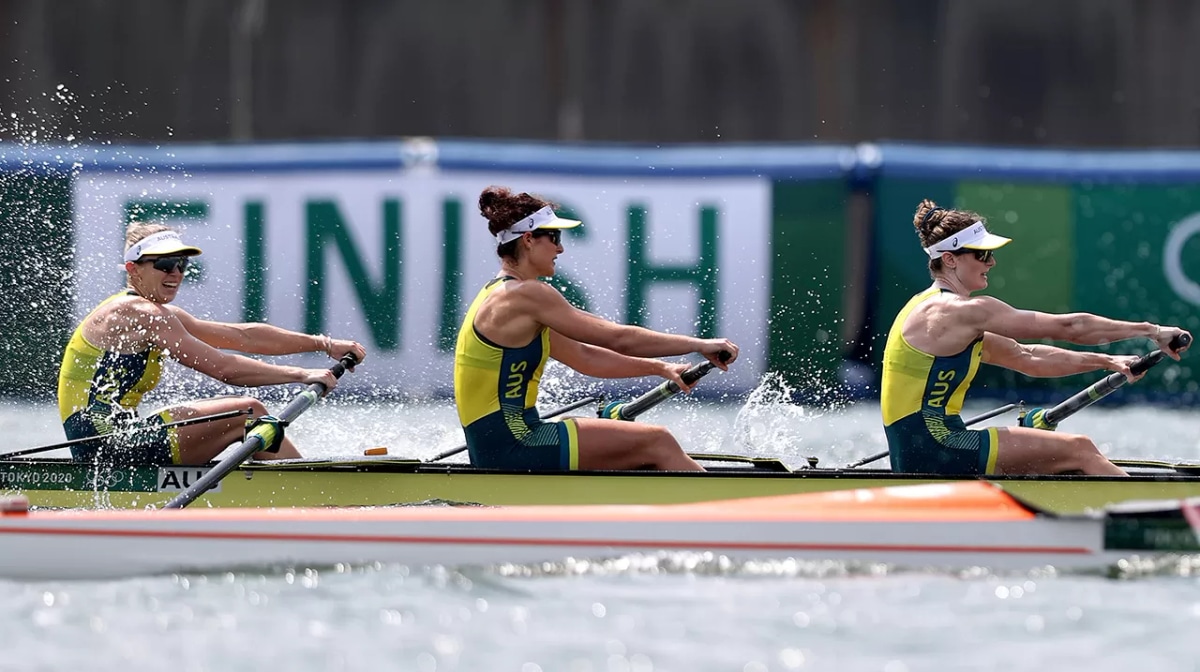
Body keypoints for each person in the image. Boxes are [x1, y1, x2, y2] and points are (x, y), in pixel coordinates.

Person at [881, 199, 1192, 476]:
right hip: (938, 448)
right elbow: (1068, 328)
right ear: (950, 260)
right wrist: (1153, 331)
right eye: (983, 254)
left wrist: (1109, 361)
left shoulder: (933, 312)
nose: (991, 263)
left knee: (1063, 457)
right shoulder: (957, 311)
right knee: (1080, 449)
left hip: (925, 450)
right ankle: (1144, 521)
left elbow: (1027, 357)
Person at [453, 186, 739, 472]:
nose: (560, 248)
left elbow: (584, 356)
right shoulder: (525, 295)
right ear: (528, 240)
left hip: (500, 447)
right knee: (658, 442)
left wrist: (661, 368)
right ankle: (724, 514)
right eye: (554, 237)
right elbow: (619, 338)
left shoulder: (500, 295)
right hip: (516, 445)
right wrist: (699, 344)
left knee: (637, 448)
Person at [57, 223, 367, 465]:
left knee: (243, 412)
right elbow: (224, 369)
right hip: (103, 446)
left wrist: (324, 344)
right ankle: (308, 494)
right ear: (133, 269)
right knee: (249, 412)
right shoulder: (139, 313)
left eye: (181, 264)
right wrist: (302, 375)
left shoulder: (156, 314)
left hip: (121, 434)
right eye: (165, 264)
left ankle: (289, 482)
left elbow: (243, 337)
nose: (176, 273)